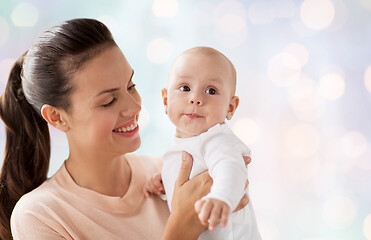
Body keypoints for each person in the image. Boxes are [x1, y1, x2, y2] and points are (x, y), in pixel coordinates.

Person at [0, 19, 249, 240]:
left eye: (130, 86)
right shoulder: (41, 215)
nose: (134, 107)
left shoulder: (173, 175)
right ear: (57, 117)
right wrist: (182, 228)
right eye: (108, 101)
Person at [144, 47, 261, 239]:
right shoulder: (185, 145)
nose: (196, 98)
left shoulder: (218, 139)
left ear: (230, 108)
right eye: (185, 88)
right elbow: (189, 187)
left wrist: (221, 197)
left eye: (211, 91)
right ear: (165, 101)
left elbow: (230, 168)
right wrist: (165, 181)